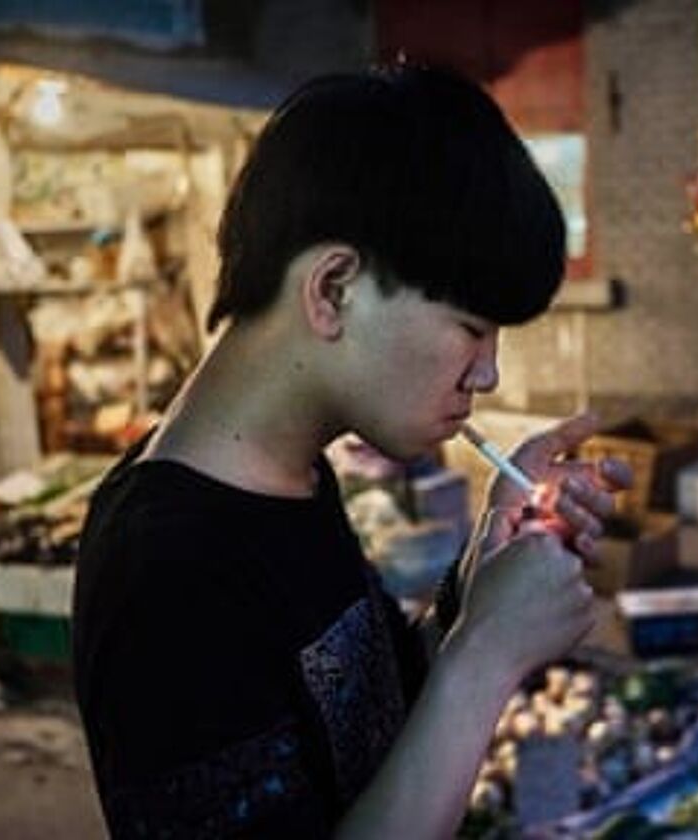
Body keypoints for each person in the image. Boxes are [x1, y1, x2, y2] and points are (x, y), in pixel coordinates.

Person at [72, 65, 631, 839]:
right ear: (334, 289)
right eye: (472, 328)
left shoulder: (293, 477)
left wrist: (481, 579)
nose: (489, 372)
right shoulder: (167, 568)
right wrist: (485, 660)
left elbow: (367, 731)